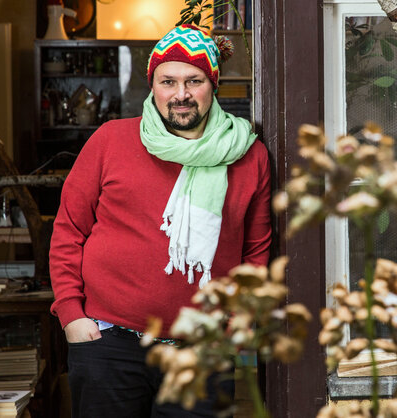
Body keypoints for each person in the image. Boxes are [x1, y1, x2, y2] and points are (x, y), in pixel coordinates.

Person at [49, 23, 272, 417]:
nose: (181, 94)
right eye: (168, 81)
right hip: (108, 341)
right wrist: (71, 315)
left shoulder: (248, 155)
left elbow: (255, 252)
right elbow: (69, 229)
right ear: (153, 84)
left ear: (213, 84)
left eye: (194, 80)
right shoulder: (110, 140)